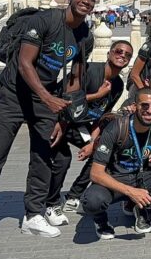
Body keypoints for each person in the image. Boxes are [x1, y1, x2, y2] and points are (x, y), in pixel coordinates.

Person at [0, 0, 96, 250]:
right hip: (14, 93)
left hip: (46, 98)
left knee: (43, 155)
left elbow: (75, 78)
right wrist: (47, 97)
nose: (86, 1)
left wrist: (64, 116)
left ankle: (33, 215)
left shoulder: (85, 34)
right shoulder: (44, 21)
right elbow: (24, 63)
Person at [81, 88, 151, 239]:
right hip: (116, 177)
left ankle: (142, 208)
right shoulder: (116, 128)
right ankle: (101, 221)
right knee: (92, 201)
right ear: (135, 106)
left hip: (143, 175)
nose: (150, 110)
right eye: (144, 105)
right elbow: (96, 174)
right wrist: (131, 192)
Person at [52, 40, 132, 218]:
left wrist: (93, 143)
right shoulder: (90, 70)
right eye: (119, 51)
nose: (122, 56)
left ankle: (73, 197)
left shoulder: (118, 85)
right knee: (60, 161)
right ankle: (50, 201)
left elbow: (101, 117)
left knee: (101, 150)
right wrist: (98, 95)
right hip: (58, 118)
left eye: (127, 55)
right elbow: (68, 100)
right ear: (109, 53)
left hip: (80, 124)